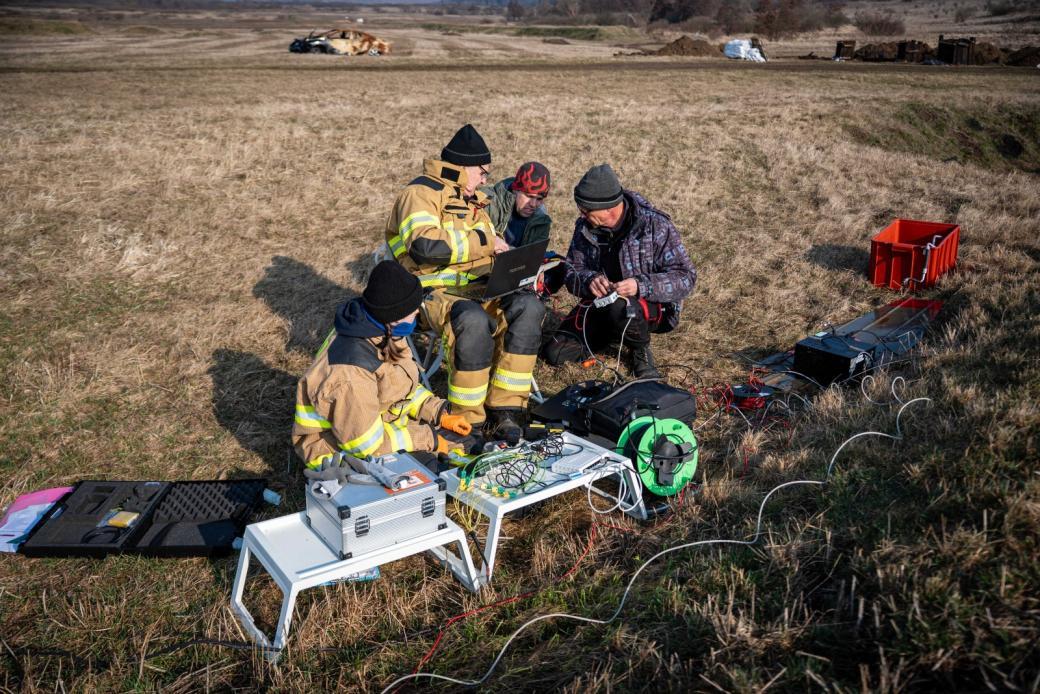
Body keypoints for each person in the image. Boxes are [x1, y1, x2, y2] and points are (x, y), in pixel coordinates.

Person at [384, 124, 545, 443]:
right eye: (483, 172)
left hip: (482, 289)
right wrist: (486, 240)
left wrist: (512, 264)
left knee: (529, 307)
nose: (486, 180)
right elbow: (425, 247)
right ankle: (468, 422)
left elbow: (486, 244)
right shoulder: (419, 194)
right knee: (471, 319)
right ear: (463, 167)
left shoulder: (475, 202)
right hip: (432, 294)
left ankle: (506, 410)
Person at [292, 261, 473, 469]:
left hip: (379, 427)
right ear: (393, 316)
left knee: (467, 442)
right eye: (412, 310)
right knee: (437, 471)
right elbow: (366, 445)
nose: (417, 313)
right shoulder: (350, 373)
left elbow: (398, 386)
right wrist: (427, 438)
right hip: (335, 451)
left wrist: (438, 412)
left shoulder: (385, 330)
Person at [541, 163, 697, 379]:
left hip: (650, 306)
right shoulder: (585, 227)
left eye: (586, 210)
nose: (582, 215)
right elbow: (572, 269)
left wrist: (640, 285)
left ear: (609, 207)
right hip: (600, 305)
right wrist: (589, 280)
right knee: (556, 353)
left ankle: (639, 349)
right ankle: (612, 334)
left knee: (619, 307)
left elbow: (685, 277)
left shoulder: (654, 225)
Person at [480, 161, 552, 249]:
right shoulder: (486, 204)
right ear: (515, 190)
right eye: (529, 196)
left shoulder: (541, 221)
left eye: (539, 199)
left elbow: (535, 255)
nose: (533, 204)